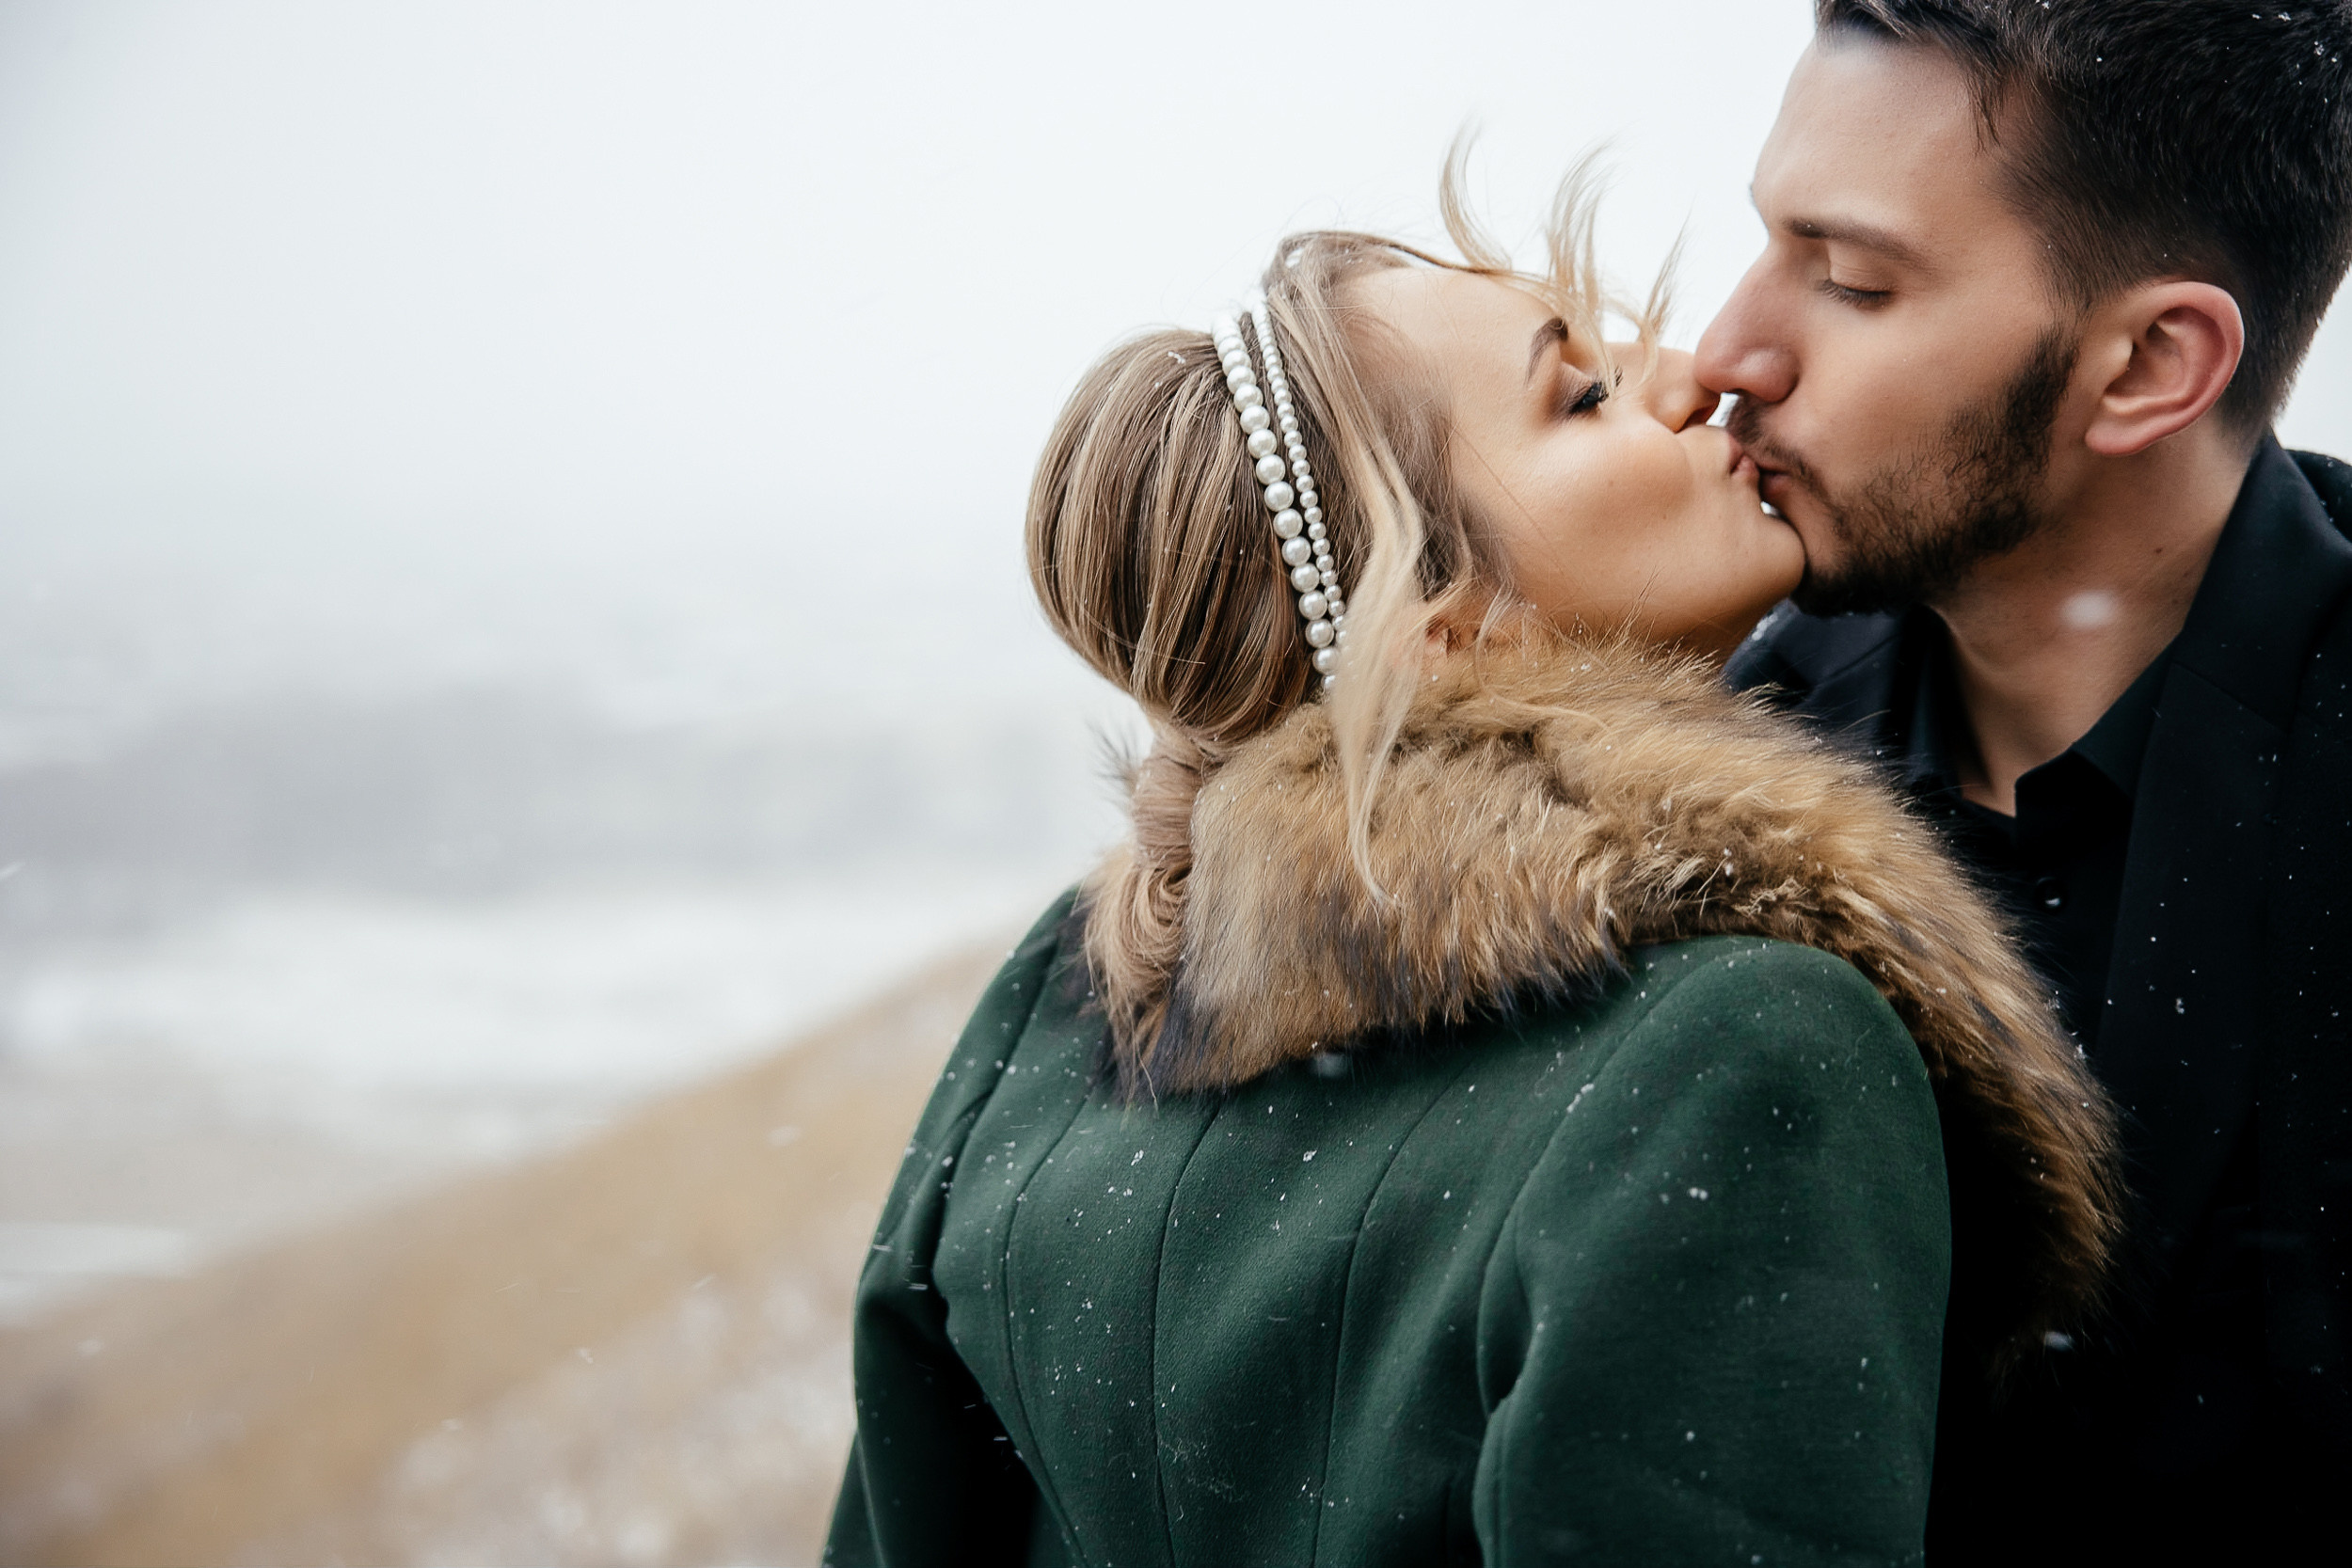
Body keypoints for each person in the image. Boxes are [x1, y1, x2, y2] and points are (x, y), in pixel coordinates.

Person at [823, 168, 2120, 1566]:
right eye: (1582, 395)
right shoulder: (1743, 1051)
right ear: (1445, 631)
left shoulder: (1047, 1018)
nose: (1692, 375)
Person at [1699, 1, 2352, 1558]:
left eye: (1854, 282)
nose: (1728, 351)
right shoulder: (1704, 775)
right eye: (1769, 241)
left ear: (2149, 366)